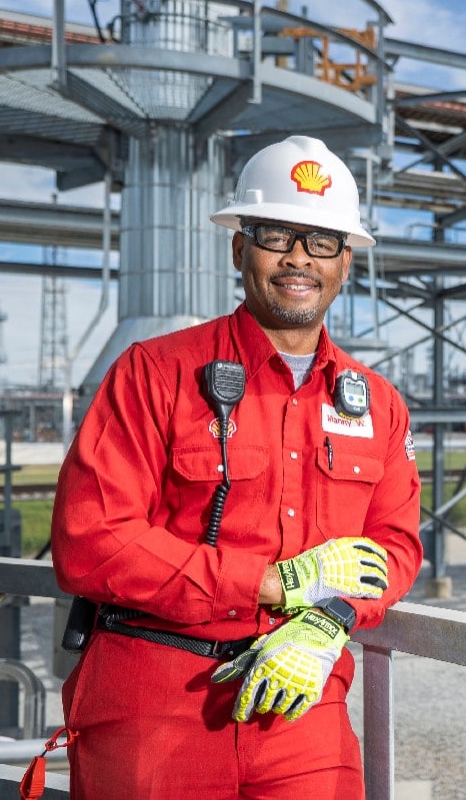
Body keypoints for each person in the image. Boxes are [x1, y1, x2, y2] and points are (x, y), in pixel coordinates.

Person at [51, 135, 423, 798]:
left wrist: (327, 615)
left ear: (346, 264)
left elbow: (393, 547)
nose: (299, 257)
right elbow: (91, 541)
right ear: (238, 248)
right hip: (155, 705)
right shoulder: (155, 373)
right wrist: (273, 584)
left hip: (301, 704)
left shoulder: (379, 406)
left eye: (323, 241)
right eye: (277, 233)